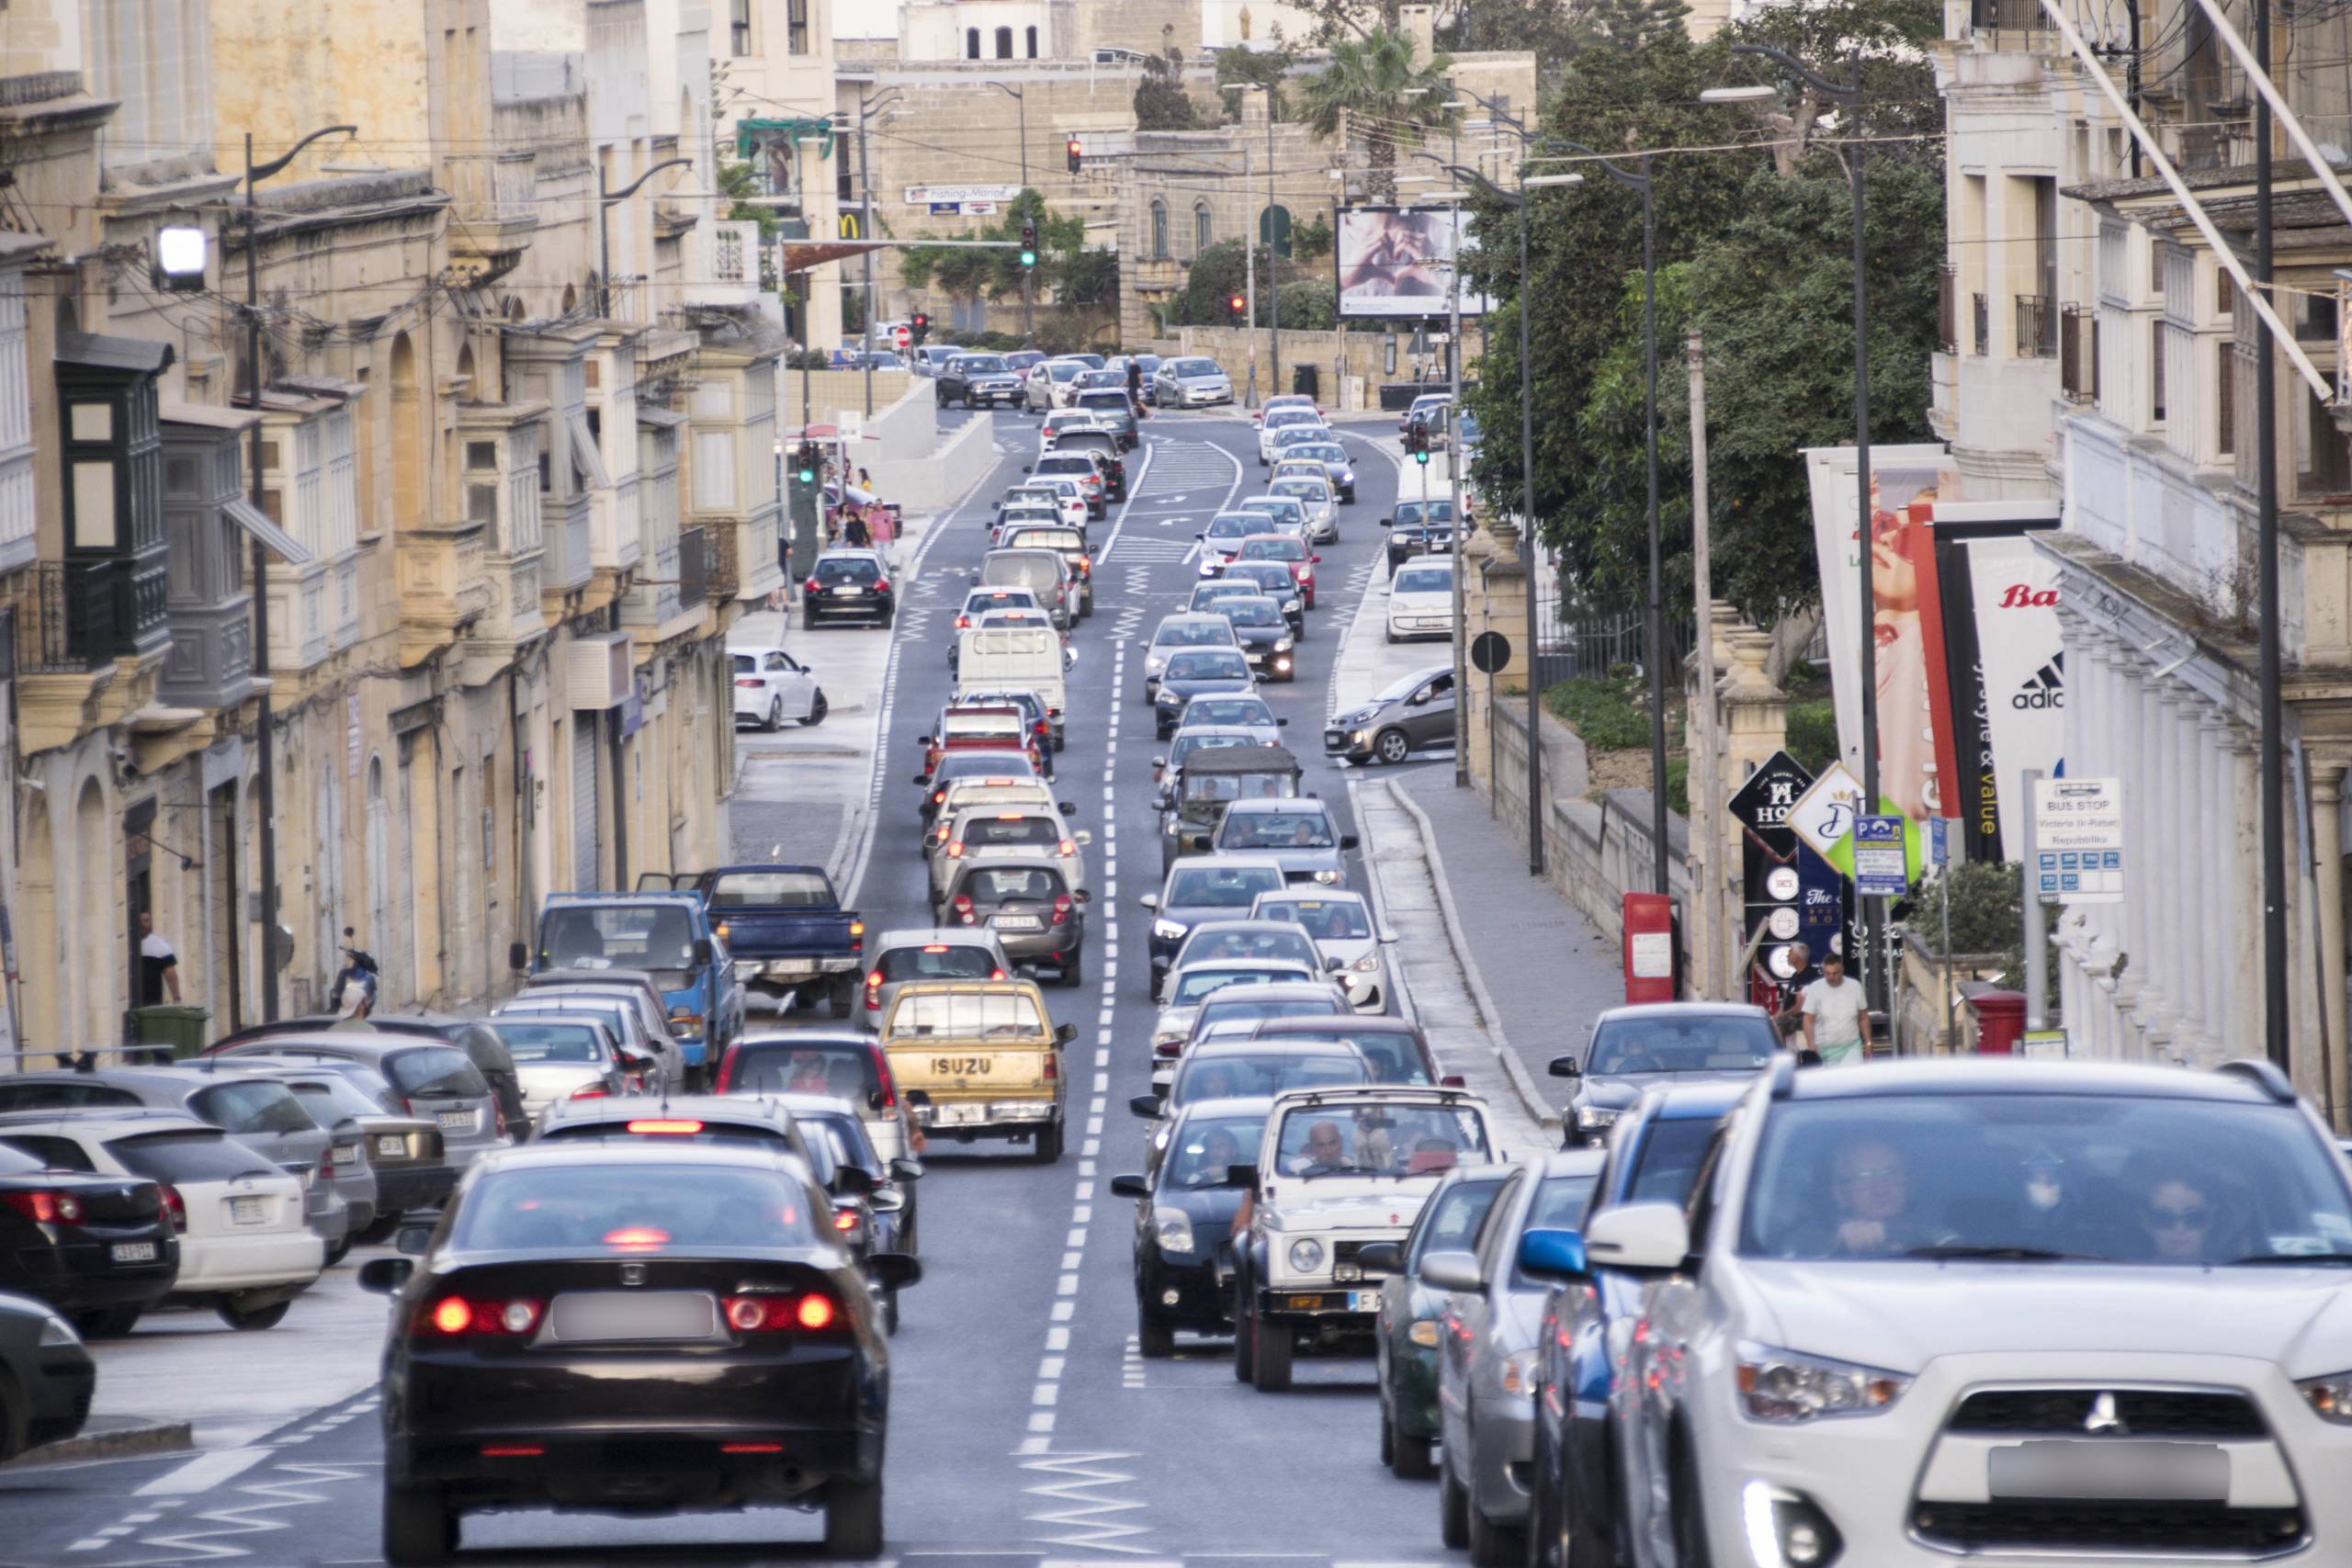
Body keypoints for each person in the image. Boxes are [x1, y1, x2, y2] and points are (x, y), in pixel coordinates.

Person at [1820, 1135, 1929, 1256]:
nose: (1881, 1189)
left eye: (1891, 1173)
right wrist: (1837, 1244)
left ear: (1910, 1184)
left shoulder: (1939, 1242)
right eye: (1863, 1177)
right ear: (1840, 1193)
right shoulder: (1809, 1247)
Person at [1800, 953, 1871, 1066]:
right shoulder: (1815, 988)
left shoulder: (1855, 986)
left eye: (1835, 973)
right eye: (1827, 973)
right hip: (1824, 1049)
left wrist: (1868, 1042)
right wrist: (1811, 1044)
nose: (1831, 977)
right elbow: (1808, 1019)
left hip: (1851, 1047)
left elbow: (1863, 1018)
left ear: (1842, 969)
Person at [136, 910, 180, 1006]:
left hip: (152, 1006)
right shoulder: (127, 945)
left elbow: (170, 974)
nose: (143, 925)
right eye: (140, 921)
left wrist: (176, 998)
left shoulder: (160, 945)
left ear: (151, 922)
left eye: (146, 921)